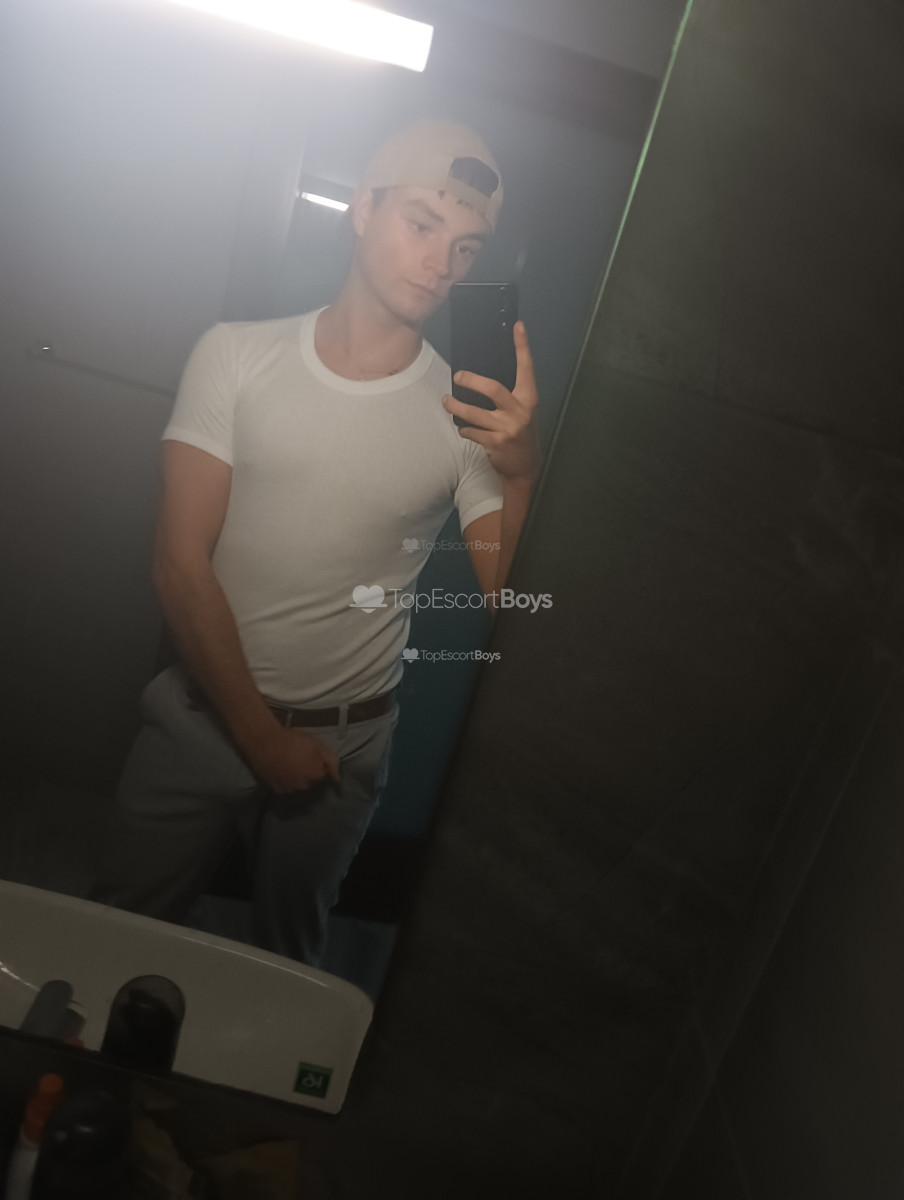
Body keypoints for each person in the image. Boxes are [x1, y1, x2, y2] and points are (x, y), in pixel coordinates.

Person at [90, 118, 541, 966]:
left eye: (467, 248)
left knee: (287, 969)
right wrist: (259, 737)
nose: (442, 263)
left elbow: (509, 599)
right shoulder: (235, 355)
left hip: (347, 747)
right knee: (115, 939)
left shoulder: (464, 418)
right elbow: (179, 565)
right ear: (362, 209)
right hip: (198, 721)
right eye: (422, 224)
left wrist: (518, 476)